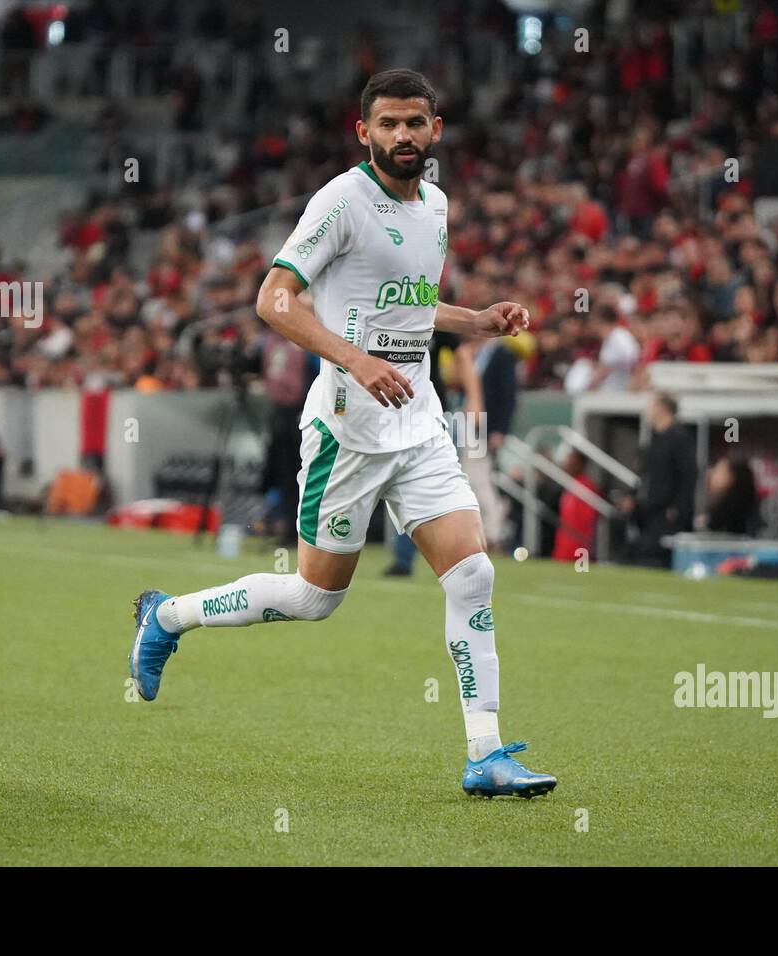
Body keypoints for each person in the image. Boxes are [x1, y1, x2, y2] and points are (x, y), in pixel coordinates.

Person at [125, 70, 555, 799]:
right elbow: (275, 298)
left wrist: (476, 320)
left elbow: (410, 307)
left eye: (415, 123)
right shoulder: (342, 201)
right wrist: (355, 359)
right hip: (347, 430)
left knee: (474, 572)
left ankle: (485, 756)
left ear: (436, 129)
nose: (402, 136)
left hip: (418, 422)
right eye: (387, 124)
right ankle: (167, 616)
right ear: (364, 132)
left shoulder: (437, 206)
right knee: (315, 598)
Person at [622, 392, 696, 566]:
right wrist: (633, 498)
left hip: (666, 514)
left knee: (655, 558)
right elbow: (645, 477)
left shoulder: (680, 439)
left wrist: (677, 508)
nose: (648, 411)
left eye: (651, 406)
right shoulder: (655, 441)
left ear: (663, 408)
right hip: (648, 511)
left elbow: (688, 476)